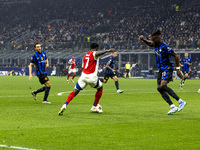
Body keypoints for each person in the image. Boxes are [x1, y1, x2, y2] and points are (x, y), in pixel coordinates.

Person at [58, 43, 115, 115]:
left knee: (75, 91)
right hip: (91, 77)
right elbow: (97, 54)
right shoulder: (94, 53)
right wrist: (108, 50)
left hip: (83, 76)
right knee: (100, 88)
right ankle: (94, 107)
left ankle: (65, 104)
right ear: (96, 48)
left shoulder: (85, 56)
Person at [139, 29, 187, 115]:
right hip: (161, 69)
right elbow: (150, 44)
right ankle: (172, 106)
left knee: (163, 85)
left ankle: (180, 101)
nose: (153, 41)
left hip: (168, 68)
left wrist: (178, 69)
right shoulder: (156, 44)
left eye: (154, 39)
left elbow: (176, 56)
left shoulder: (165, 46)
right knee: (159, 88)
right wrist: (143, 40)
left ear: (158, 38)